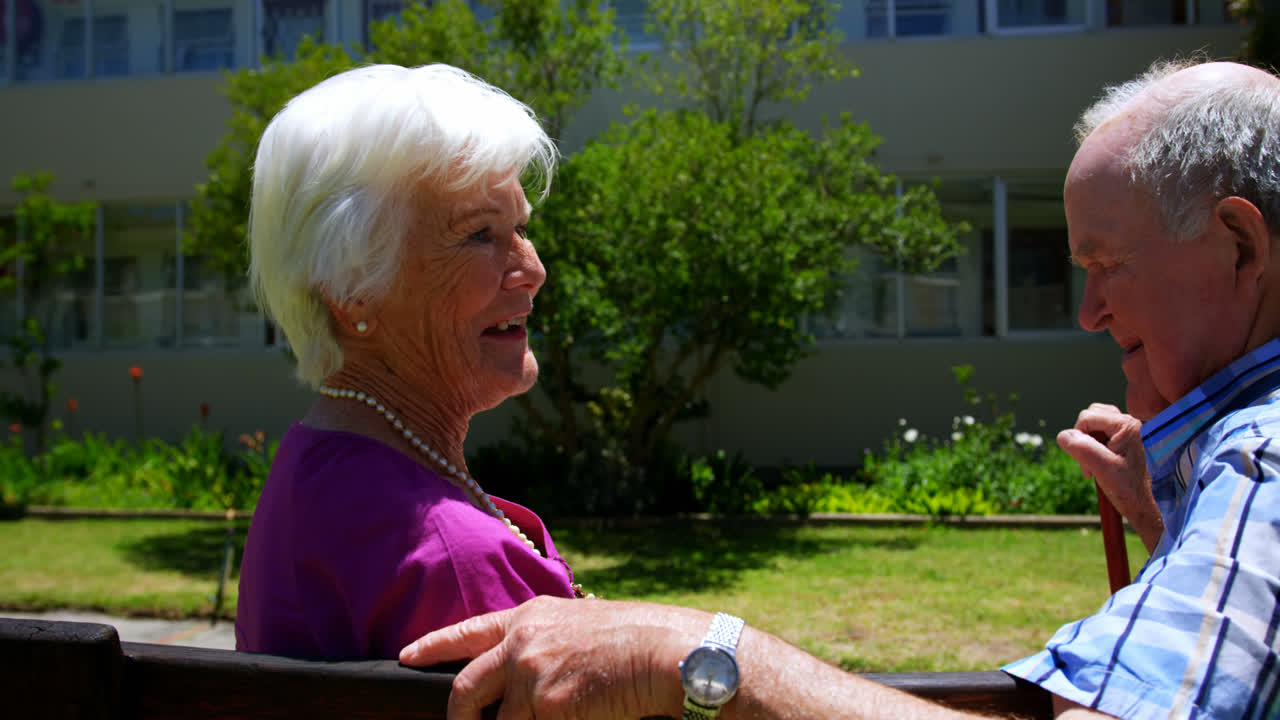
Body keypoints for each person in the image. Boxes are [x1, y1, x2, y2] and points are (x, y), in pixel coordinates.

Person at [398, 58, 1280, 719]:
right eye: (480, 235)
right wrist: (1176, 534)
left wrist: (690, 653)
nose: (1087, 311)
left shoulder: (1260, 464)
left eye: (1108, 264)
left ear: (1240, 246)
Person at [235, 63, 585, 661]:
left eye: (521, 227)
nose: (533, 269)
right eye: (480, 234)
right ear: (352, 290)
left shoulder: (318, 464)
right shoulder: (449, 557)